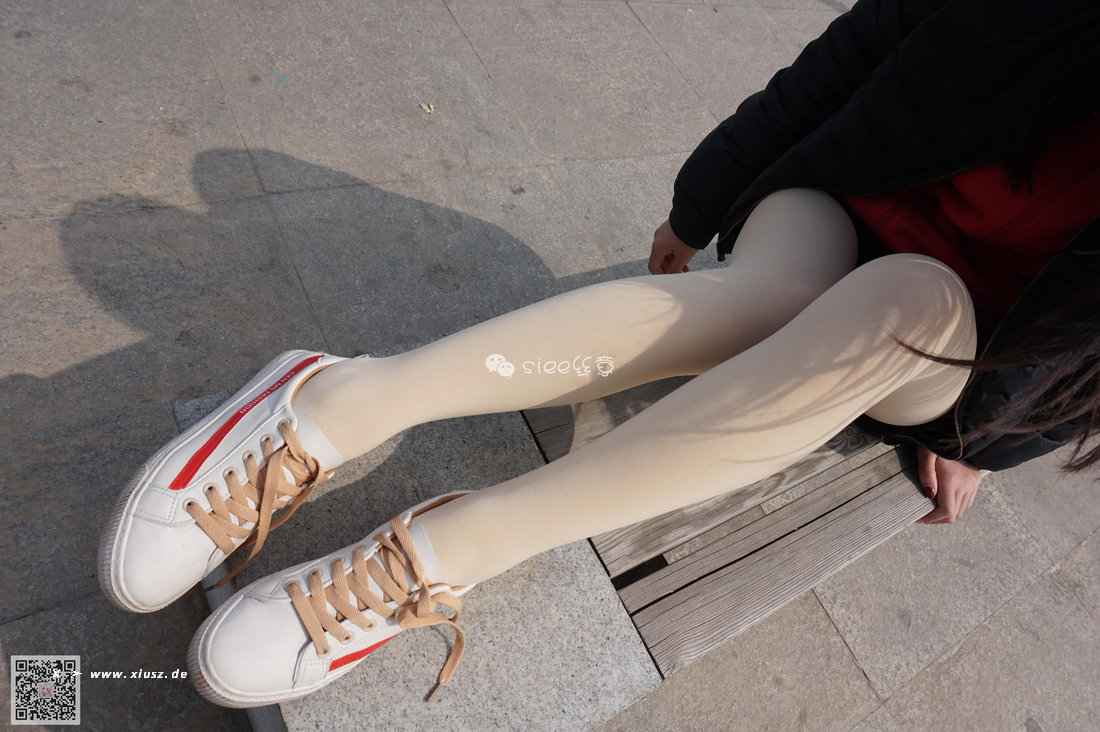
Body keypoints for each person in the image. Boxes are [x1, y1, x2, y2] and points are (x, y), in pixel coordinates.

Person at [97, 0, 1099, 709]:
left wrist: (990, 432)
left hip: (955, 334)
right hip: (835, 205)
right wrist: (700, 202)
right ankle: (333, 404)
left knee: (906, 299)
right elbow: (851, 56)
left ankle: (442, 554)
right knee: (773, 296)